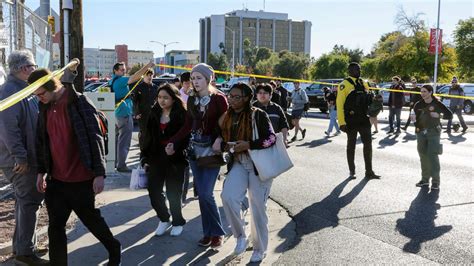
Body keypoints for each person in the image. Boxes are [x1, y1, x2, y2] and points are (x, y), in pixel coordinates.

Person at [31, 60, 122, 266]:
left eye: (41, 93)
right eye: (36, 95)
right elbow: (41, 140)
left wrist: (99, 173)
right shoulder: (44, 106)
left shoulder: (78, 101)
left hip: (81, 178)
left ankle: (113, 247)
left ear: (52, 85)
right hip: (56, 180)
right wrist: (41, 171)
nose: (39, 98)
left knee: (92, 221)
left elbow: (95, 136)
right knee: (55, 227)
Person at [166, 63, 227, 249]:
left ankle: (217, 233)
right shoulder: (191, 99)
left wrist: (220, 139)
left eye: (199, 78)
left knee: (207, 193)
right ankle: (207, 233)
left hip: (212, 150)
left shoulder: (219, 99)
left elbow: (227, 125)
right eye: (193, 78)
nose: (195, 81)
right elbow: (187, 125)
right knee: (201, 194)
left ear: (208, 79)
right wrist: (174, 141)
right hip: (194, 150)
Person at [215, 82, 276, 263]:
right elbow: (222, 137)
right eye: (230, 96)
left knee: (258, 208)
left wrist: (250, 144)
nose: (232, 100)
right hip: (239, 163)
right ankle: (240, 236)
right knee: (228, 196)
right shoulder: (226, 117)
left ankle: (259, 248)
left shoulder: (258, 115)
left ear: (247, 98)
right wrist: (224, 144)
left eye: (236, 97)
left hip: (259, 165)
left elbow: (271, 138)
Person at [0, 50, 49, 265]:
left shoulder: (24, 90)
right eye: (33, 65)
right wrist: (19, 157)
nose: (35, 69)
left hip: (26, 157)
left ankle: (24, 246)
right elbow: (9, 129)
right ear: (23, 69)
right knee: (29, 202)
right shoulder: (10, 92)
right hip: (19, 160)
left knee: (27, 202)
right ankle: (25, 252)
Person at [140, 83, 188, 237]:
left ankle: (178, 221)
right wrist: (144, 157)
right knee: (153, 191)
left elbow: (186, 137)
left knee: (174, 193)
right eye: (160, 97)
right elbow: (146, 137)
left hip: (176, 159)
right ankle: (164, 218)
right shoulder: (153, 113)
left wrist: (176, 147)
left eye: (166, 98)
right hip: (155, 157)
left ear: (174, 99)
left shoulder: (181, 114)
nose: (162, 100)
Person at [336, 62, 380, 180]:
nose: (358, 71)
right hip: (351, 121)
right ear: (349, 71)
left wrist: (375, 102)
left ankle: (369, 172)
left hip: (364, 119)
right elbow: (339, 105)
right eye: (356, 70)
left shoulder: (364, 83)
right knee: (351, 146)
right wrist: (341, 123)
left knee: (368, 145)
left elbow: (368, 100)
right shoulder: (344, 85)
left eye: (359, 69)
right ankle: (352, 171)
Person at [110, 61, 155, 172]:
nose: (124, 71)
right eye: (121, 70)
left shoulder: (112, 80)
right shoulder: (120, 80)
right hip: (123, 113)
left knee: (116, 140)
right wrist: (147, 66)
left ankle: (116, 163)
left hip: (116, 113)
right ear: (115, 70)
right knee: (124, 141)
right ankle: (121, 165)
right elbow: (136, 76)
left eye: (125, 69)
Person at [412, 85, 452, 190]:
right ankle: (425, 180)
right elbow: (413, 118)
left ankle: (435, 182)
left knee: (432, 156)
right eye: (421, 92)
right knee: (423, 156)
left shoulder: (437, 103)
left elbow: (450, 114)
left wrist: (439, 116)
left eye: (424, 91)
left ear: (430, 92)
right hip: (420, 132)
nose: (422, 93)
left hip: (434, 132)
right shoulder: (418, 104)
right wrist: (415, 122)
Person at [131, 68, 158, 133]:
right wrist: (136, 113)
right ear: (143, 76)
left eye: (151, 75)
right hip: (142, 115)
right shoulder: (138, 87)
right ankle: (142, 143)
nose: (149, 77)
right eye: (147, 75)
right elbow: (134, 101)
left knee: (153, 131)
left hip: (153, 114)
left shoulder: (156, 87)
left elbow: (158, 101)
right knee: (143, 132)